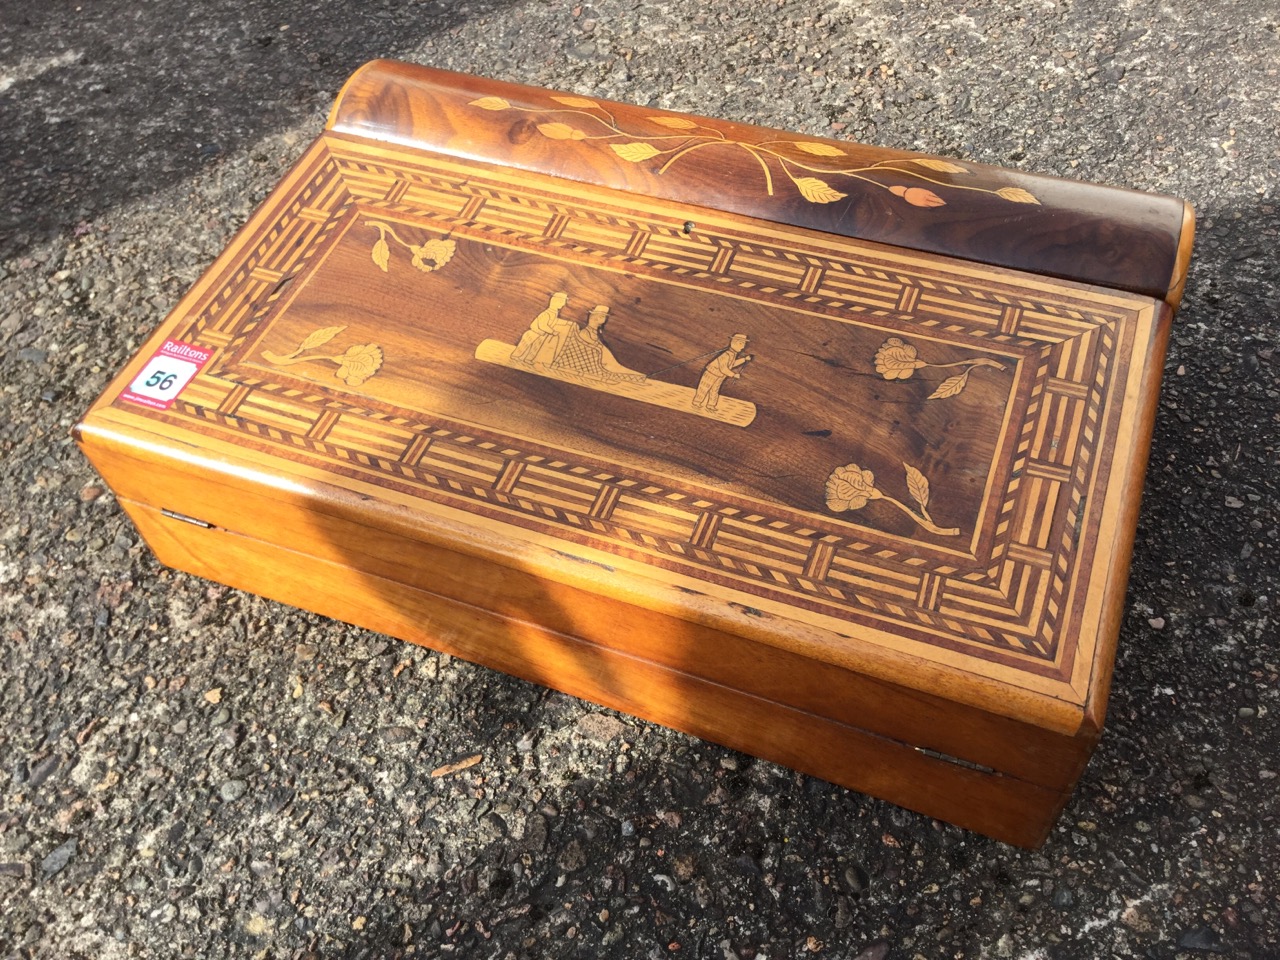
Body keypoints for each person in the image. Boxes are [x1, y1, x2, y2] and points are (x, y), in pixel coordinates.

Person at [551, 305, 646, 384]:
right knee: (616, 370)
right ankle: (636, 377)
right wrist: (599, 348)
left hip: (605, 361)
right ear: (596, 317)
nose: (604, 319)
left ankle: (637, 376)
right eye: (603, 316)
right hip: (592, 362)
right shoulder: (585, 332)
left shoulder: (596, 332)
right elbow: (585, 344)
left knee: (619, 368)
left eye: (604, 317)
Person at [511, 292, 574, 366]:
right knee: (524, 345)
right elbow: (542, 325)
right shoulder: (547, 313)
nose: (563, 305)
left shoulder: (554, 313)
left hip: (541, 334)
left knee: (535, 347)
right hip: (533, 333)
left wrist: (567, 324)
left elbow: (554, 322)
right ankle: (516, 356)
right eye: (561, 302)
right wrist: (552, 331)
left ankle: (529, 359)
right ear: (554, 301)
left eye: (563, 303)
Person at [692, 334, 752, 411]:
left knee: (715, 390)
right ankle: (696, 402)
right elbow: (723, 368)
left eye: (744, 344)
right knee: (704, 388)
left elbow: (731, 364)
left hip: (720, 376)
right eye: (741, 344)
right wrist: (733, 375)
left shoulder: (732, 354)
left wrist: (744, 359)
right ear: (734, 343)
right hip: (711, 373)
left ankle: (711, 405)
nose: (743, 347)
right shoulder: (726, 354)